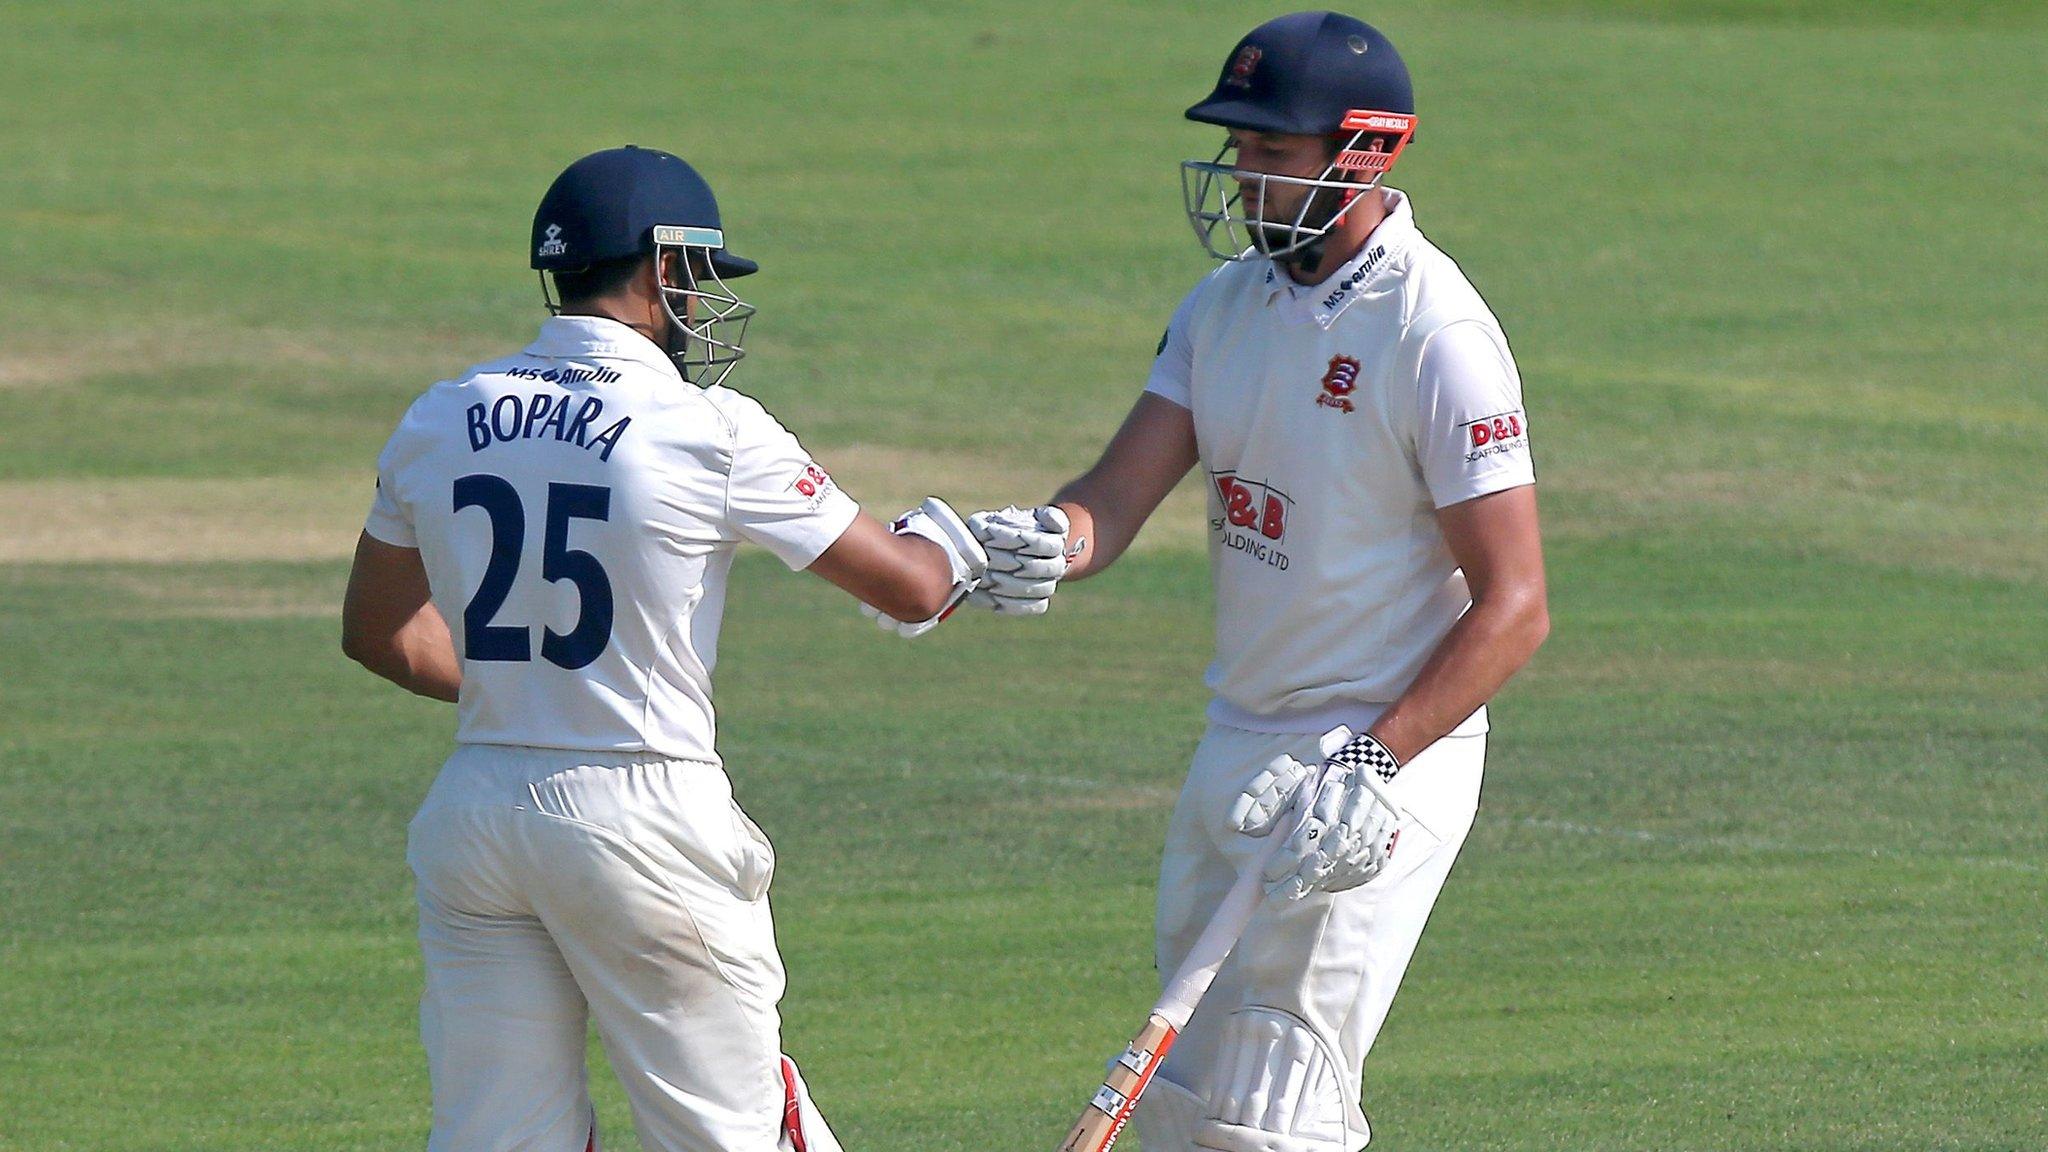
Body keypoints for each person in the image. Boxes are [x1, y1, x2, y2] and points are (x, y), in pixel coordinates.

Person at [947, 11, 1552, 1149]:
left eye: (1270, 156)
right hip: (1240, 733)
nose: (1242, 179)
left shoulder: (1435, 335)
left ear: (1363, 155)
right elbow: (1113, 500)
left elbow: (1515, 605)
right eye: (1240, 151)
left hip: (1380, 759)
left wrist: (1378, 758)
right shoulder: (1221, 306)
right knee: (1183, 1108)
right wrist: (1043, 539)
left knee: (1276, 1107)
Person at [340, 144, 989, 1152]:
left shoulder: (441, 416)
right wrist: (971, 542)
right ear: (658, 271)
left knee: (496, 1140)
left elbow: (376, 633)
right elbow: (911, 585)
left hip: (477, 815)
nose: (700, 301)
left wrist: (534, 701)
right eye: (695, 277)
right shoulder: (708, 429)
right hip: (645, 820)